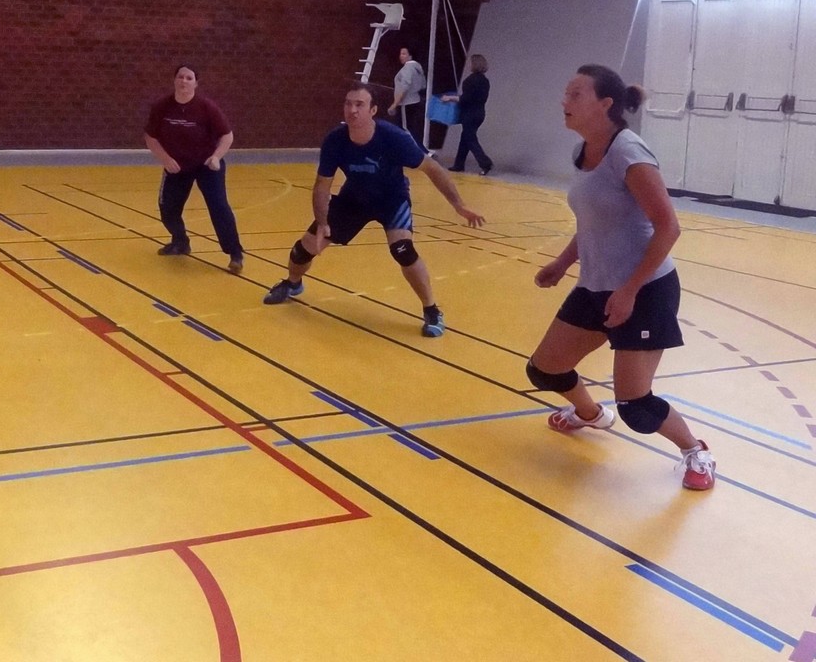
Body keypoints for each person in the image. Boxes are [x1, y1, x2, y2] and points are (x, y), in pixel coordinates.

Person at [524, 63, 715, 490]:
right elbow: (595, 221)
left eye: (576, 94)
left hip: (645, 290)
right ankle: (590, 415)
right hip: (596, 285)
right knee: (545, 370)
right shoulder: (582, 152)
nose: (564, 101)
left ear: (605, 104)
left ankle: (696, 451)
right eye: (566, 93)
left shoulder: (629, 153)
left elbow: (669, 227)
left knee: (636, 405)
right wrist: (563, 263)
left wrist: (629, 290)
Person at [263, 82, 484, 336]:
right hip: (354, 199)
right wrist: (322, 222)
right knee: (304, 249)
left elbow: (432, 169)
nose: (352, 110)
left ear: (373, 110)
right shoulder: (335, 140)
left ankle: (431, 310)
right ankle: (293, 284)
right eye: (348, 104)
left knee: (403, 250)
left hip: (392, 200)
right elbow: (322, 186)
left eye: (359, 104)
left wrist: (459, 205)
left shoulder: (394, 138)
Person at [143, 65, 245, 274]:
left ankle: (235, 254)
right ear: (174, 80)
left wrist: (216, 157)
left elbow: (227, 136)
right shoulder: (161, 106)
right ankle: (180, 241)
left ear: (196, 83)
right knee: (168, 208)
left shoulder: (206, 107)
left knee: (219, 206)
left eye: (189, 78)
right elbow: (150, 137)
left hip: (207, 164)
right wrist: (165, 159)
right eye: (180, 77)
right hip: (177, 166)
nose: (184, 81)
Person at [442, 53, 493, 175]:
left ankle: (485, 163)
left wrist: (450, 98)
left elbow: (466, 99)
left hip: (469, 114)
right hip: (480, 113)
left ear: (474, 64)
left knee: (470, 139)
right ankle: (459, 164)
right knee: (465, 137)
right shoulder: (485, 81)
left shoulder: (470, 80)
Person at [387, 45, 426, 140]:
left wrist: (395, 104)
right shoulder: (418, 68)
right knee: (410, 128)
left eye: (404, 54)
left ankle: (413, 147)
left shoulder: (407, 68)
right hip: (415, 101)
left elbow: (404, 87)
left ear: (410, 56)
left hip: (406, 102)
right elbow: (423, 85)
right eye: (401, 54)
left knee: (404, 129)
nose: (401, 56)